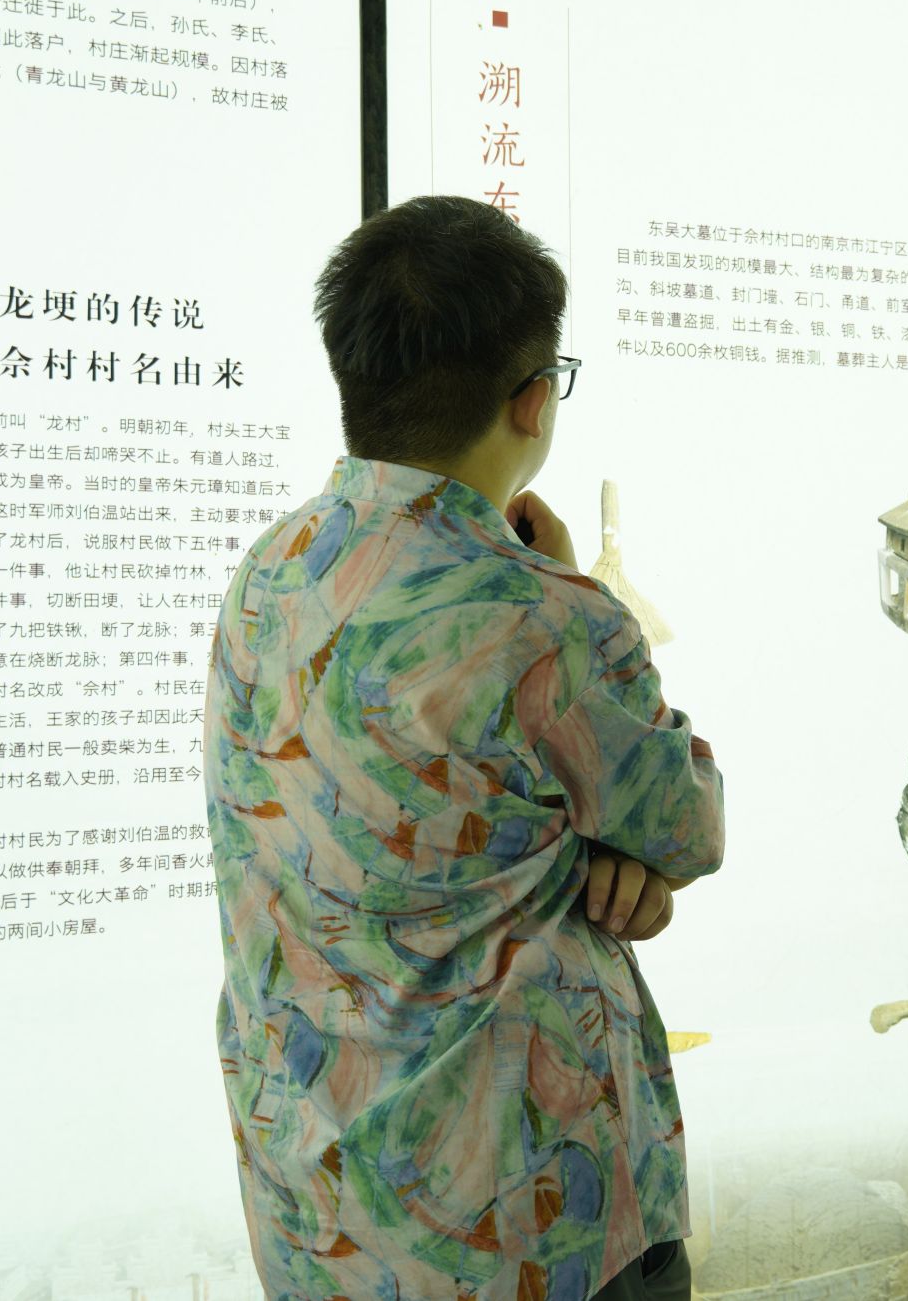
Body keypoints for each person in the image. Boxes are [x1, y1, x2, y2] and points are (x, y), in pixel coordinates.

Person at [206, 195, 722, 1301]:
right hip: (528, 1232)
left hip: (320, 1216)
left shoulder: (268, 575)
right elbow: (685, 822)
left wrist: (588, 853)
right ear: (533, 399)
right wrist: (568, 589)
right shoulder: (546, 618)